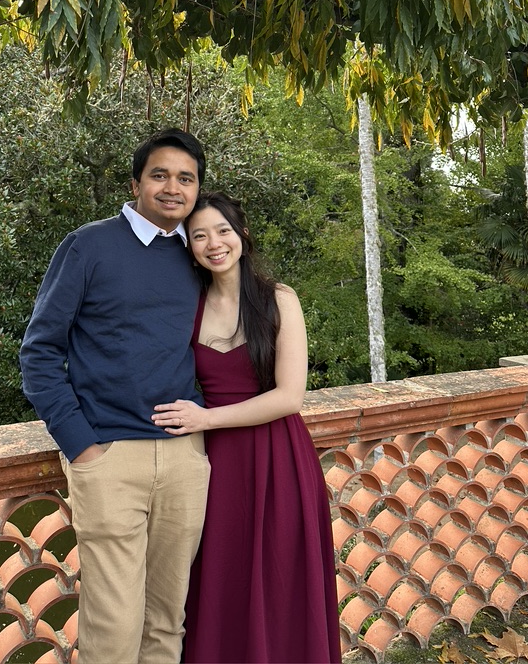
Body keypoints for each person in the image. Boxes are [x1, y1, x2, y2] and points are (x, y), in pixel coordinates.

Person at [19, 129, 211, 664]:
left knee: (167, 620)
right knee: (113, 629)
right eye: (160, 175)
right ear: (135, 183)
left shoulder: (197, 256)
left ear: (197, 190)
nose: (173, 188)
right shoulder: (89, 246)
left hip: (183, 456)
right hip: (108, 456)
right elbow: (38, 353)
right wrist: (81, 444)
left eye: (186, 178)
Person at [152, 191, 342, 664]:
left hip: (278, 457)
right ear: (188, 245)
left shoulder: (278, 300)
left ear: (242, 235)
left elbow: (289, 396)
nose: (213, 243)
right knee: (219, 579)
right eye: (199, 235)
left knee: (281, 582)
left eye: (222, 231)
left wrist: (206, 417)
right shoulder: (186, 304)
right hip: (211, 463)